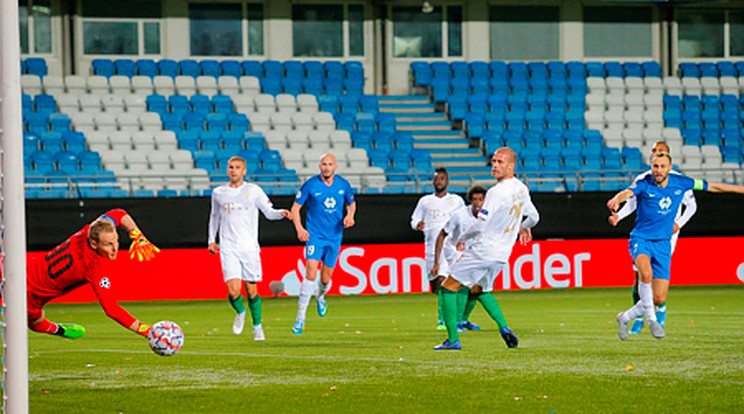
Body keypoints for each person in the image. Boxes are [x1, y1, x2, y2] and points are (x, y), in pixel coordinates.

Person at [607, 152, 744, 341]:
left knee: (659, 298)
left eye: (662, 167)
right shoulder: (644, 182)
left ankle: (625, 317)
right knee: (645, 274)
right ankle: (652, 320)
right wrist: (616, 200)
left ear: (670, 168)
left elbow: (712, 186)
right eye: (655, 166)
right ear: (651, 167)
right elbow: (628, 193)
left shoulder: (682, 183)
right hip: (642, 239)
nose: (658, 170)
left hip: (663, 243)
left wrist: (739, 189)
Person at [434, 148, 539, 350]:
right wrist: (524, 226)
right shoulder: (521, 188)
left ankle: (453, 340)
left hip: (484, 250)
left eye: (500, 162)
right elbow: (534, 217)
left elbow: (481, 224)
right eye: (493, 161)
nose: (495, 165)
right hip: (502, 255)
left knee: (447, 288)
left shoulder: (495, 192)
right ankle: (505, 329)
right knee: (480, 290)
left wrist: (462, 238)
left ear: (511, 166)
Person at [26, 209, 159, 340]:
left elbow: (118, 214)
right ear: (94, 244)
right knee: (34, 324)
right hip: (29, 296)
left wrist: (137, 235)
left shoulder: (90, 231)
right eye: (108, 244)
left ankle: (60, 330)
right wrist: (146, 330)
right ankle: (58, 330)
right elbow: (111, 309)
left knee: (35, 319)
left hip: (23, 271)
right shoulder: (94, 267)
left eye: (116, 241)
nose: (115, 248)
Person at [609, 141, 697, 334]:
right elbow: (632, 203)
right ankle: (641, 316)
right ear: (651, 156)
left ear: (668, 159)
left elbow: (691, 206)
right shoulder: (643, 179)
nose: (658, 156)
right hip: (645, 234)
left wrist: (678, 224)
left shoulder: (678, 180)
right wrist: (619, 216)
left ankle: (660, 308)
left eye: (662, 153)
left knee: (655, 282)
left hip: (667, 235)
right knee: (640, 274)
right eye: (655, 153)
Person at [208, 156, 291, 341]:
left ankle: (257, 326)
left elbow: (269, 212)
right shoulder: (219, 193)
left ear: (244, 171)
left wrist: (281, 213)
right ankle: (240, 311)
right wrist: (211, 240)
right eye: (230, 167)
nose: (233, 170)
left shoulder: (253, 191)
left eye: (237, 167)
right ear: (227, 170)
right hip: (228, 246)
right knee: (233, 291)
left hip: (249, 247)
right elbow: (214, 217)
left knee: (251, 289)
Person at [290, 153, 356, 335]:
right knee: (310, 272)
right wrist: (300, 229)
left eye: (330, 164)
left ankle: (321, 294)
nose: (326, 167)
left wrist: (350, 216)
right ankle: (300, 319)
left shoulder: (343, 185)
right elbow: (295, 208)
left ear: (335, 167)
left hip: (334, 236)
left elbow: (352, 203)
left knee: (325, 279)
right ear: (319, 166)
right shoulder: (310, 185)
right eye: (323, 164)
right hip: (315, 235)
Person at [410, 168, 465, 330]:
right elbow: (414, 219)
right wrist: (417, 225)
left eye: (442, 178)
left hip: (451, 247)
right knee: (435, 285)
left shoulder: (456, 201)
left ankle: (446, 319)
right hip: (431, 248)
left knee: (447, 281)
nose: (439, 181)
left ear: (447, 181)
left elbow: (465, 219)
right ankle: (452, 316)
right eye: (436, 179)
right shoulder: (425, 201)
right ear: (433, 182)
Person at [432, 185, 488, 332]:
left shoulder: (488, 216)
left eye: (481, 199)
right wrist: (437, 260)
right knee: (458, 285)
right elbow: (443, 233)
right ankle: (449, 321)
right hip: (452, 252)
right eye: (474, 199)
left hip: (473, 254)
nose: (477, 203)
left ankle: (463, 320)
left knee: (477, 288)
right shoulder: (460, 215)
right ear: (470, 201)